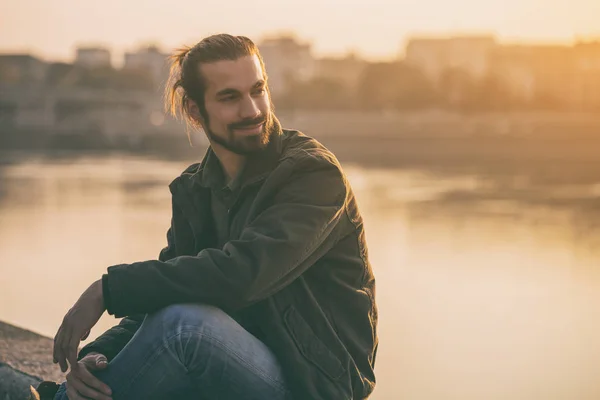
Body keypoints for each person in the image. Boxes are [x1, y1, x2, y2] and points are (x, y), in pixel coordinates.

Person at [32, 34, 378, 400]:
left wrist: (108, 289)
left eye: (257, 90)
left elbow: (242, 274)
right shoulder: (195, 190)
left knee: (186, 329)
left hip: (314, 383)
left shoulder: (312, 174)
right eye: (230, 97)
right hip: (235, 364)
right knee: (170, 325)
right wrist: (97, 355)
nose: (253, 110)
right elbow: (160, 303)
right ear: (195, 111)